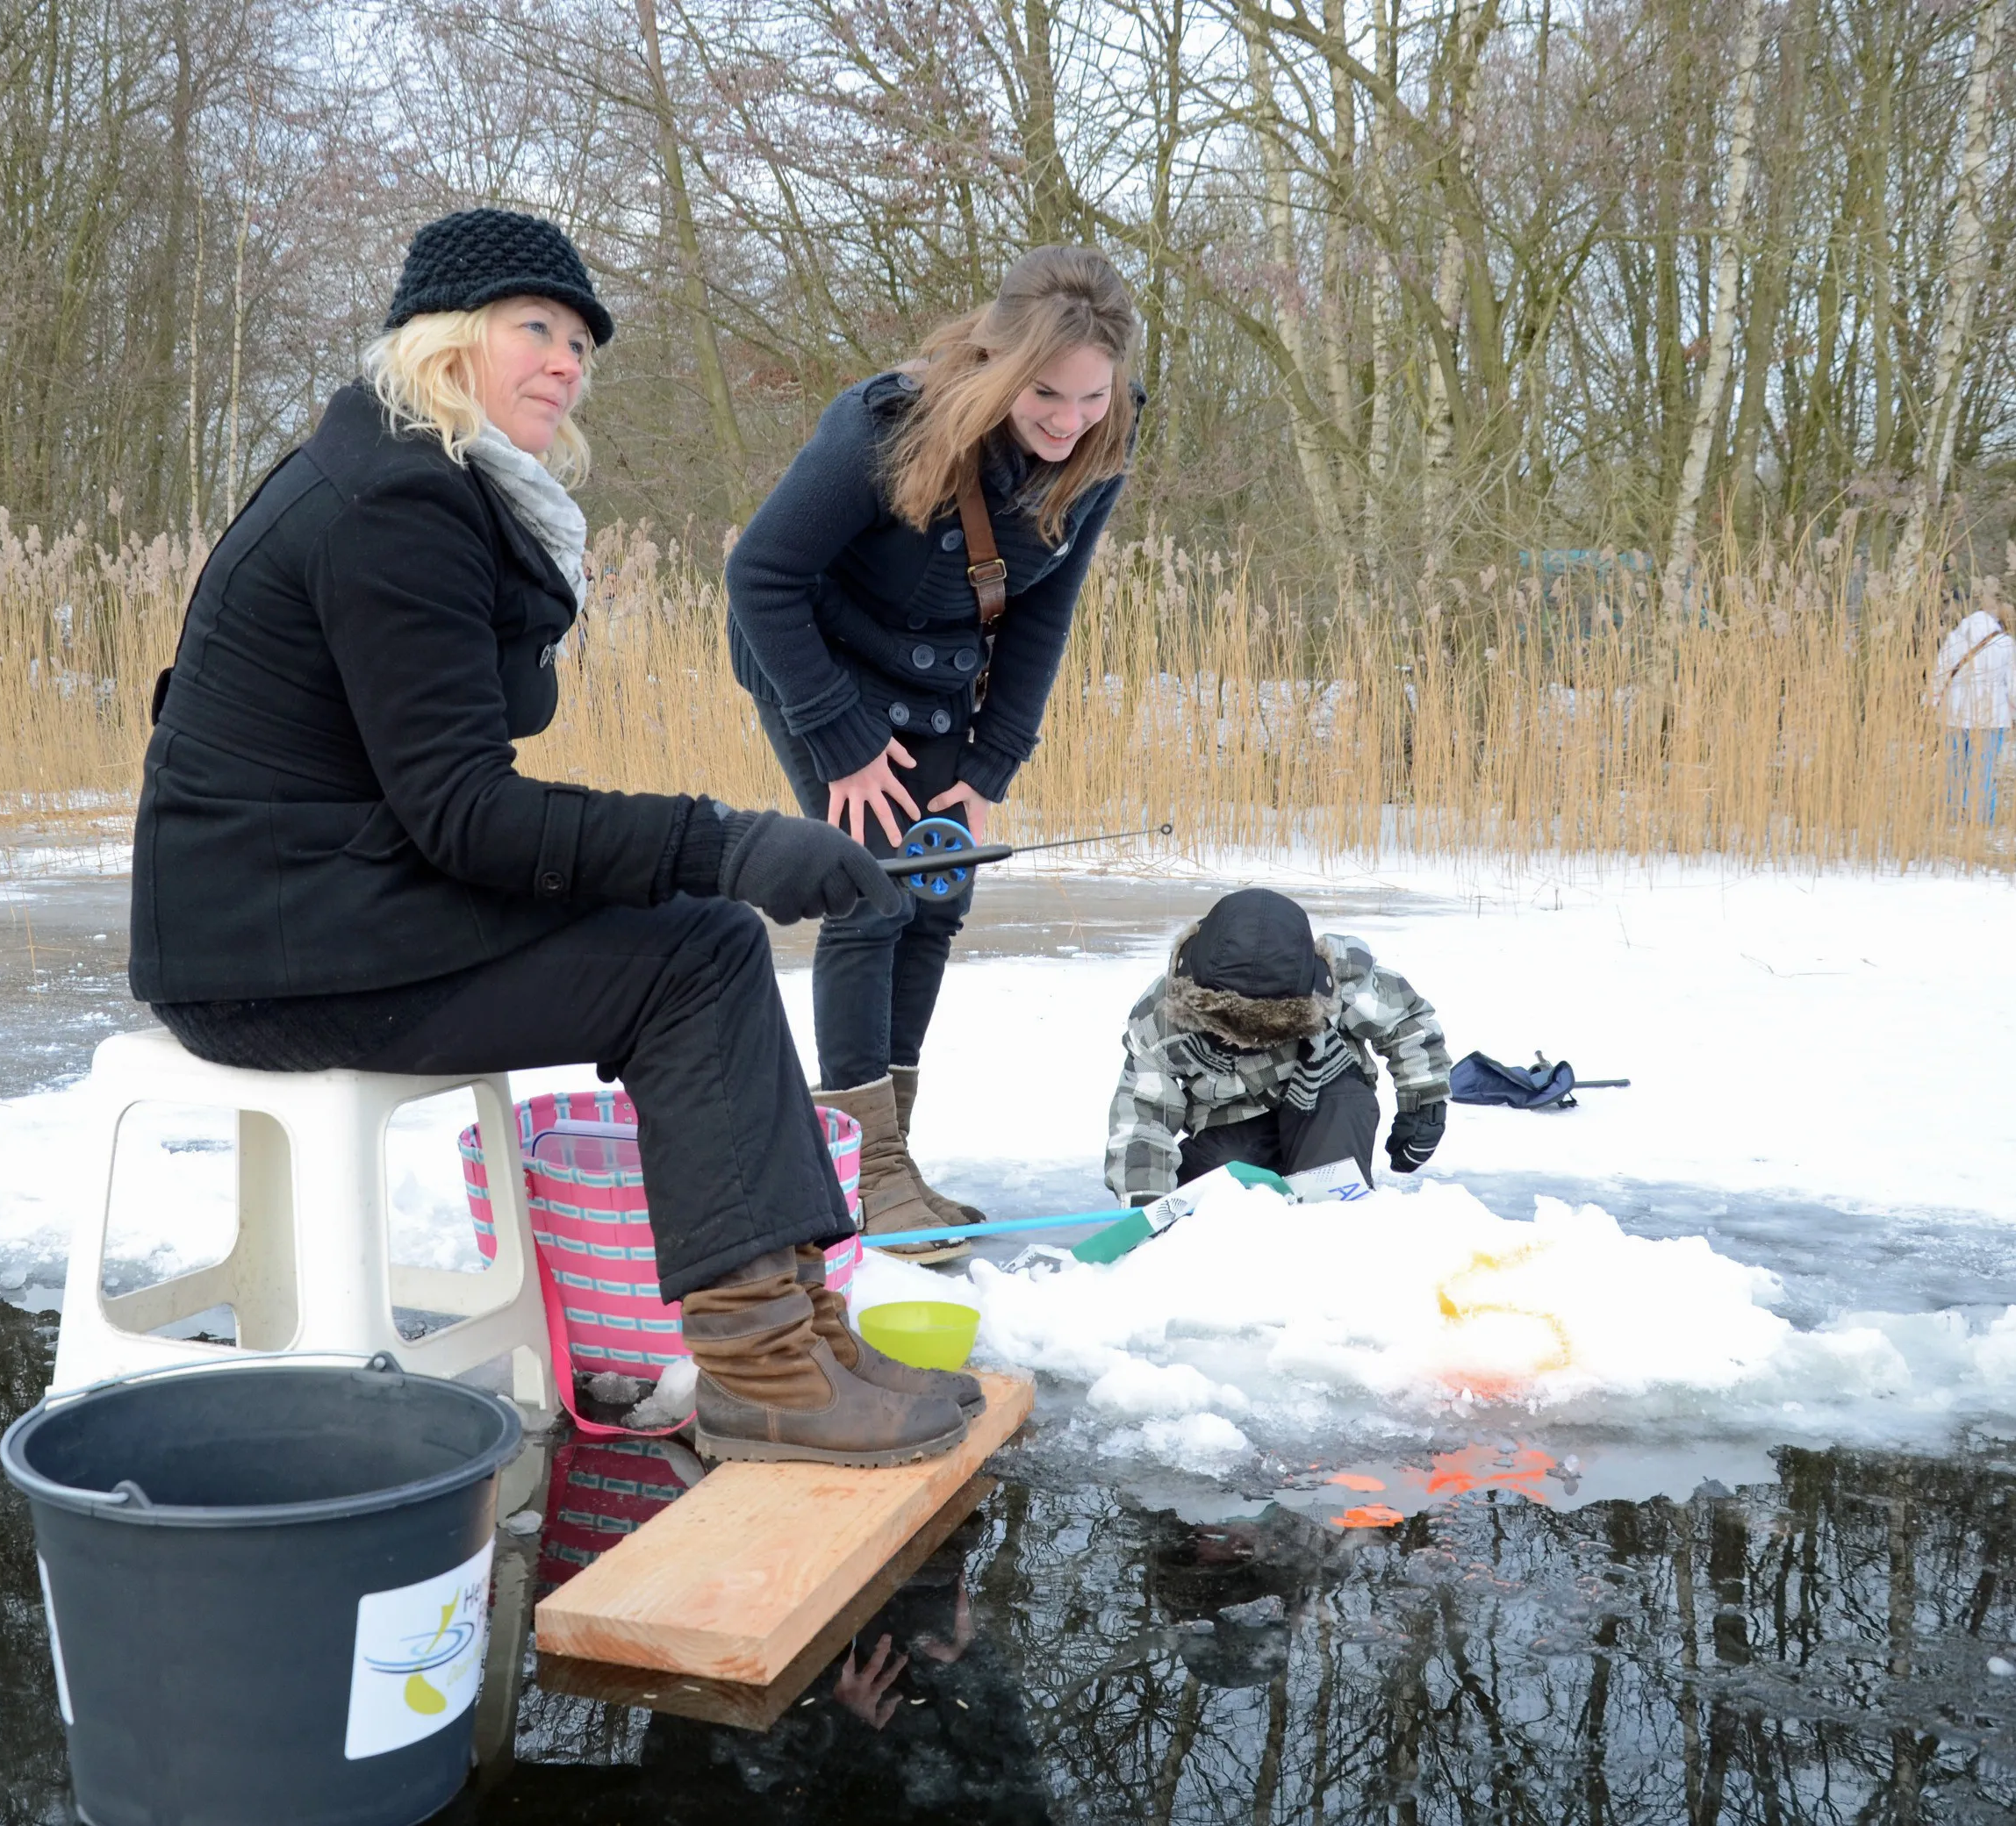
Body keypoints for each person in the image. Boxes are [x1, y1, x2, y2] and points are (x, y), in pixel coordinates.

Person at [126, 207, 978, 1466]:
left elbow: (435, 796)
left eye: (581, 341)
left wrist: (710, 859)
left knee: (697, 939)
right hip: (271, 954)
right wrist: (730, 843)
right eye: (536, 327)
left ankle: (797, 1328)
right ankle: (761, 1370)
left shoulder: (415, 478)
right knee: (690, 955)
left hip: (319, 906)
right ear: (443, 338)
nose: (568, 361)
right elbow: (467, 815)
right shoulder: (395, 506)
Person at [726, 247, 1144, 1261]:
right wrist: (841, 739)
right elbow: (761, 576)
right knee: (874, 887)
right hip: (813, 658)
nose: (1066, 418)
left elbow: (1046, 607)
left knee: (939, 892)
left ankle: (893, 1158)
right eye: (1044, 392)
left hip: (938, 678)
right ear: (995, 359)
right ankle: (864, 1177)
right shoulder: (883, 425)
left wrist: (992, 759)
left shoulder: (1104, 436)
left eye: (1090, 396)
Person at [1102, 887, 1452, 1205]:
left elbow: (1406, 1021)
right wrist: (1145, 1199)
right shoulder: (1161, 1016)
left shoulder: (1341, 976)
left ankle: (1333, 1218)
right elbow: (1142, 1117)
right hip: (1231, 1121)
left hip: (1325, 1100)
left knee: (1340, 1126)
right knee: (1215, 1192)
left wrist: (1425, 1105)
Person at [1930, 595, 2016, 824]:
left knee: (1953, 767)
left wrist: (1932, 704)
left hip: (1954, 712)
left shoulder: (1954, 639)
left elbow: (1939, 676)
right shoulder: (2004, 642)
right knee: (1984, 770)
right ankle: (1979, 819)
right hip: (1991, 715)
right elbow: (2014, 684)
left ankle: (1951, 817)